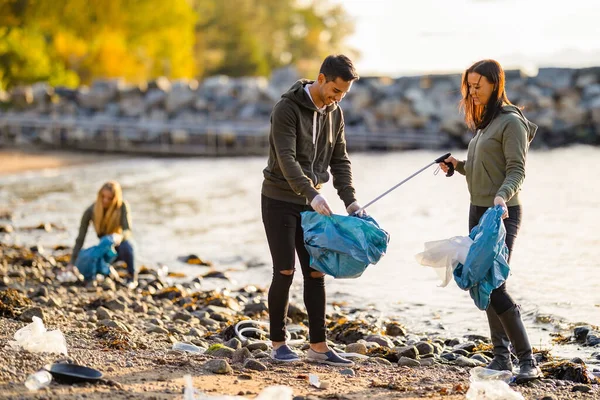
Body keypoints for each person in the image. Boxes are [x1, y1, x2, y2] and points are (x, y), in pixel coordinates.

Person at [439, 59, 541, 383]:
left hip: (502, 213)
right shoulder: (487, 121)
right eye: (468, 85)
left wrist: (503, 196)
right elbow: (484, 166)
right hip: (478, 210)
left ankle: (527, 361)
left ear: (495, 84)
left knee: (495, 284)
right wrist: (458, 165)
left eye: (477, 85)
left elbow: (516, 170)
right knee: (484, 285)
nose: (472, 90)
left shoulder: (511, 122)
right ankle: (501, 359)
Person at [261, 54, 365, 366]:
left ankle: (318, 346)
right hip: (279, 199)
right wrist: (311, 194)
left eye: (344, 94)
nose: (338, 98)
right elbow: (286, 159)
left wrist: (351, 201)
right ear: (321, 79)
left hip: (310, 203)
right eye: (335, 91)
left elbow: (340, 160)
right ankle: (277, 344)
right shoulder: (287, 108)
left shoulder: (335, 112)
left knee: (316, 271)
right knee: (285, 271)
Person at [68, 181, 137, 285]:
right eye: (103, 196)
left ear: (115, 198)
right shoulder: (91, 211)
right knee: (90, 257)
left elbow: (128, 230)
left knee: (128, 246)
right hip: (104, 248)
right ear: (99, 195)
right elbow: (80, 238)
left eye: (110, 198)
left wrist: (119, 236)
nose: (105, 200)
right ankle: (105, 272)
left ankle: (132, 277)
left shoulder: (122, 206)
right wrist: (71, 262)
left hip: (118, 245)